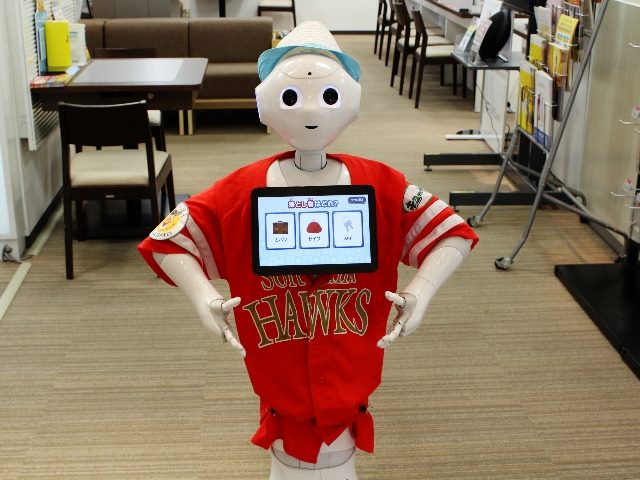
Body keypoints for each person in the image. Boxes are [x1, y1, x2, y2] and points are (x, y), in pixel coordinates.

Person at [138, 21, 478, 480]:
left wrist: (423, 289)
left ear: (351, 100)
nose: (312, 111)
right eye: (293, 96)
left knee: (338, 463)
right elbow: (167, 239)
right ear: (266, 102)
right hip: (278, 375)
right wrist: (202, 296)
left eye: (329, 95)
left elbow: (450, 231)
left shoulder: (381, 185)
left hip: (349, 369)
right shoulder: (240, 190)